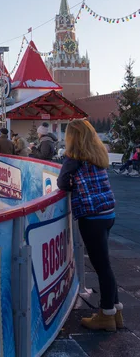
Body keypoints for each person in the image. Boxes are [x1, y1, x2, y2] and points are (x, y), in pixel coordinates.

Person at [57, 120, 120, 332]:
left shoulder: (74, 159)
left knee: (102, 266)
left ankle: (106, 314)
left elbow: (62, 182)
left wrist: (71, 182)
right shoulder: (98, 155)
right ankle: (115, 311)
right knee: (105, 264)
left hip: (92, 217)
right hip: (107, 213)